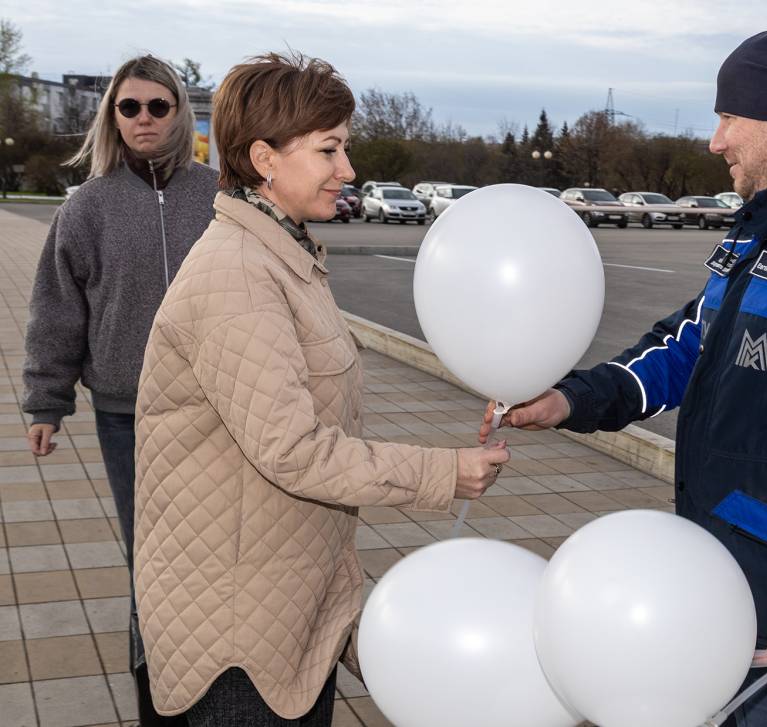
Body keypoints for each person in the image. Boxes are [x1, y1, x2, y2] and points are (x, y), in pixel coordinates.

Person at [481, 29, 767, 726]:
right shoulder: (763, 223)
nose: (715, 140)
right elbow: (687, 344)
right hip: (719, 595)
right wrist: (570, 398)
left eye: (729, 115)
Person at [133, 52, 508, 726]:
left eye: (347, 147)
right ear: (265, 159)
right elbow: (293, 450)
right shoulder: (239, 276)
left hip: (286, 608)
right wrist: (443, 472)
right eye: (330, 149)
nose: (349, 169)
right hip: (237, 639)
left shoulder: (284, 255)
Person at [21, 54, 219, 726]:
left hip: (218, 410)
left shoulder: (221, 197)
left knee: (220, 546)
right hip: (126, 415)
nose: (141, 118)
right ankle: (160, 700)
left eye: (156, 106)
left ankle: (217, 678)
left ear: (179, 111)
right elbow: (56, 309)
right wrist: (47, 401)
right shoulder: (89, 207)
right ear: (112, 115)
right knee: (153, 561)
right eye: (127, 107)